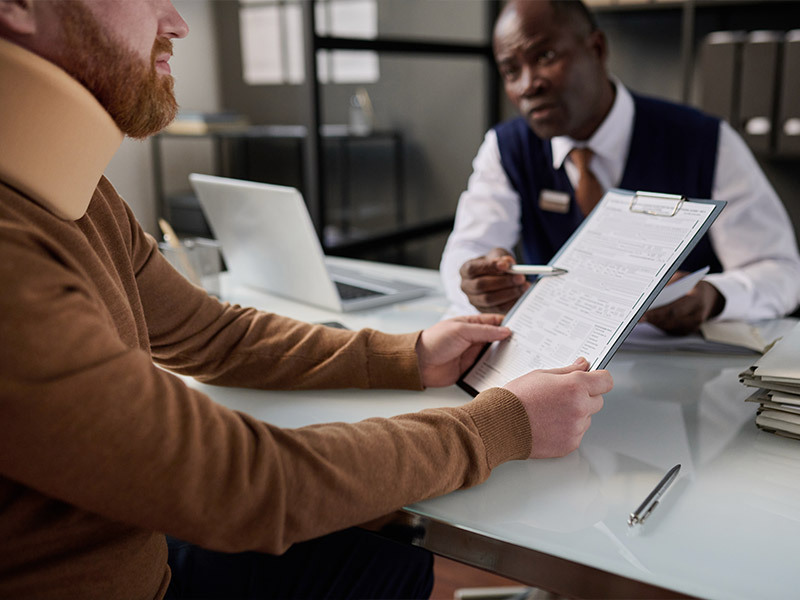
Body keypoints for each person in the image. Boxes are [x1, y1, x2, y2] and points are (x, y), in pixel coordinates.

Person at [0, 1, 613, 598]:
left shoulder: (80, 195)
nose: (178, 22)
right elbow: (240, 484)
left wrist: (411, 353)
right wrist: (503, 424)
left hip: (141, 561)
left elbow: (215, 335)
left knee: (386, 562)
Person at [440, 0, 800, 335]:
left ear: (596, 49)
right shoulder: (506, 147)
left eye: (545, 56)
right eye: (510, 70)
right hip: (558, 361)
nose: (529, 84)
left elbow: (782, 273)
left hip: (682, 366)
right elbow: (468, 249)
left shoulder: (705, 140)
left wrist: (714, 296)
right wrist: (477, 279)